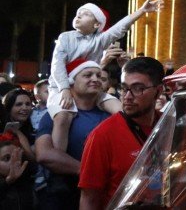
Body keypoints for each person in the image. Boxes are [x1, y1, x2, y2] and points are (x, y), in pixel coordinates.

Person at [47, 0, 164, 154]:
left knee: (122, 110)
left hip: (91, 89)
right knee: (62, 117)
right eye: (78, 13)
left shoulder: (100, 40)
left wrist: (141, 11)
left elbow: (119, 28)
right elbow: (57, 65)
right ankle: (58, 160)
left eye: (86, 14)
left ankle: (140, 150)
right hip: (61, 87)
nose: (79, 15)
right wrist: (64, 89)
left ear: (97, 24)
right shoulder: (65, 37)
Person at [78, 56, 165, 209]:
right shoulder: (102, 136)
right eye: (124, 88)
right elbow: (89, 199)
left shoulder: (168, 125)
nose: (127, 97)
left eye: (138, 89)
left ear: (158, 92)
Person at [35, 60, 110, 210]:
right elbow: (44, 154)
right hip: (63, 195)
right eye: (88, 75)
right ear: (71, 82)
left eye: (99, 76)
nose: (95, 79)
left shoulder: (109, 115)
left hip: (102, 195)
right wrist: (90, 172)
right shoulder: (54, 114)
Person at [0, 132, 36, 209]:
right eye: (7, 158)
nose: (14, 161)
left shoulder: (27, 174)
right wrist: (7, 183)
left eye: (17, 156)